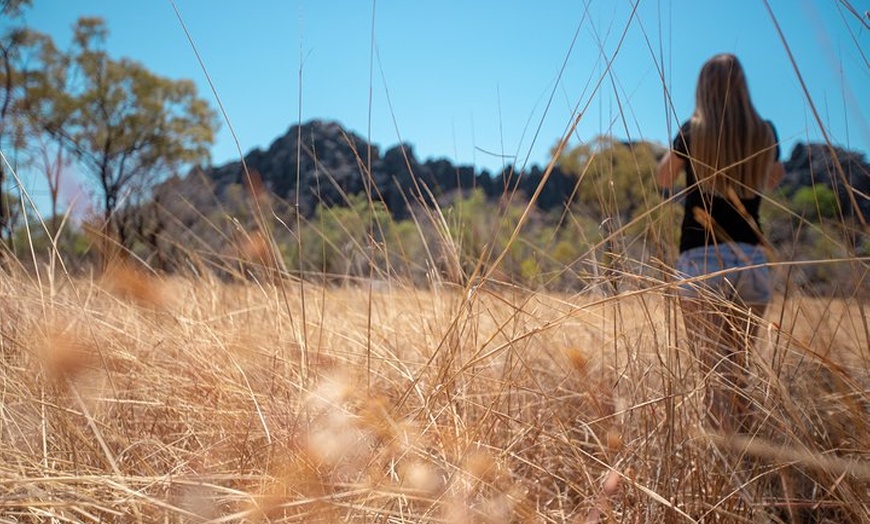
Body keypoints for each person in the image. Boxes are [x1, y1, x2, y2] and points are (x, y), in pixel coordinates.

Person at [656, 53, 785, 432]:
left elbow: (664, 177)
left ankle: (724, 468)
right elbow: (773, 179)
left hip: (700, 257)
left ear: (702, 88)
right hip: (750, 255)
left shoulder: (692, 130)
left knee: (712, 370)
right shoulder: (765, 131)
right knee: (738, 368)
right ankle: (746, 452)